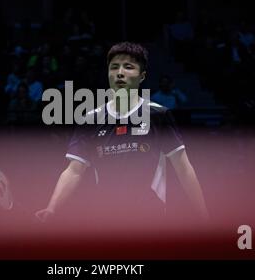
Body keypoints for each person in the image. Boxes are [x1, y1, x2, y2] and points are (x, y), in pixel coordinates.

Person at [35, 42, 208, 224]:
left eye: (128, 67)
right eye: (114, 67)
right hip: (107, 218)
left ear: (142, 76)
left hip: (151, 218)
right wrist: (52, 207)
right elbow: (74, 171)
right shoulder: (91, 119)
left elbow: (184, 169)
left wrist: (204, 216)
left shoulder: (158, 115)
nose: (120, 72)